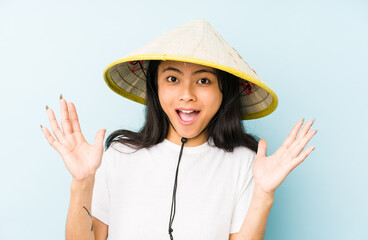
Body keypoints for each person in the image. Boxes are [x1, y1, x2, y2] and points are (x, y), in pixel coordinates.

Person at [41, 19, 317, 240]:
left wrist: (264, 193)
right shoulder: (120, 155)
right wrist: (82, 182)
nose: (186, 95)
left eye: (204, 81)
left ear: (224, 92)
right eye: (172, 78)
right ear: (156, 87)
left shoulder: (245, 163)